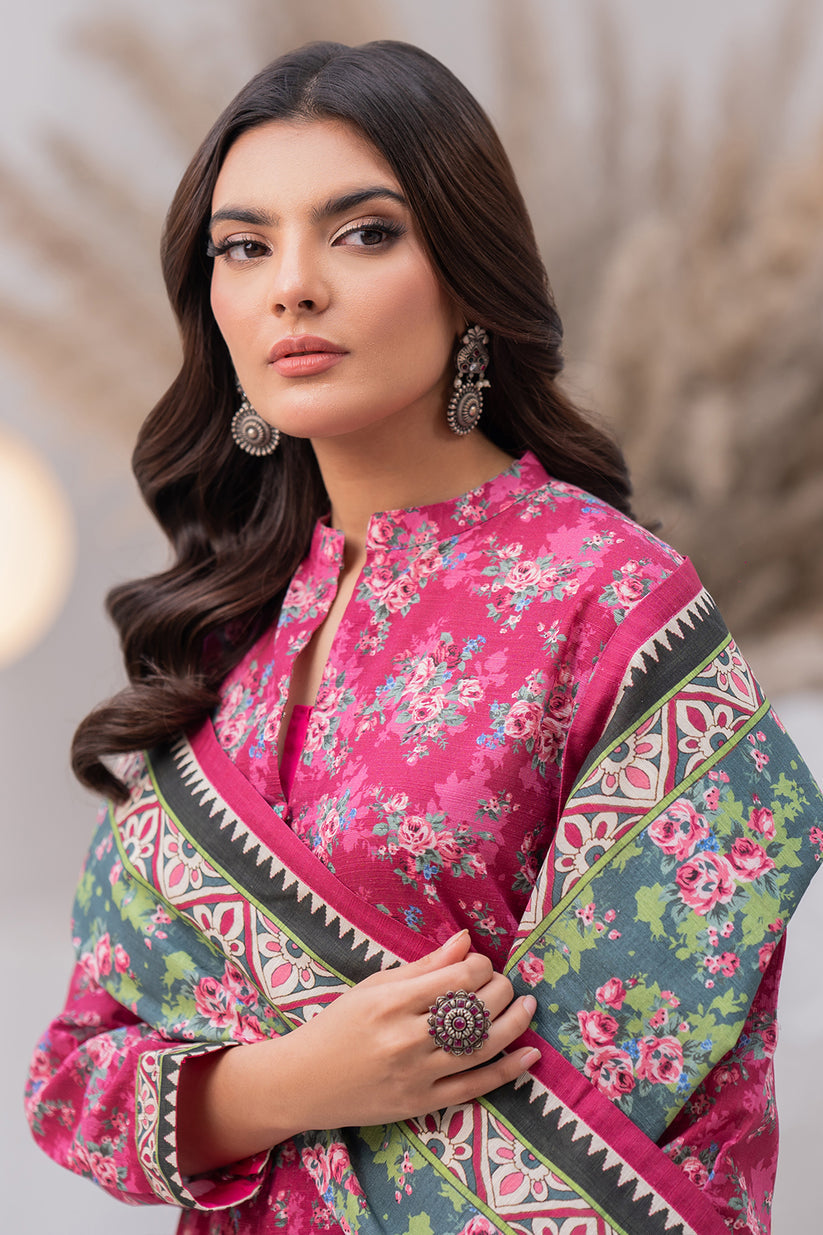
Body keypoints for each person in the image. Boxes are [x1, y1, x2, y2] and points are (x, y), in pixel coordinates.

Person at [25, 40, 822, 1235]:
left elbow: (664, 1091)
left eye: (361, 232)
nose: (292, 285)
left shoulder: (608, 599)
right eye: (245, 246)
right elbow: (71, 1084)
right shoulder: (221, 634)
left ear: (465, 271)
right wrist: (293, 1082)